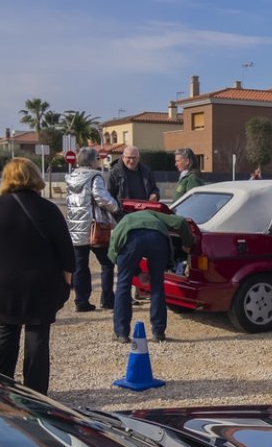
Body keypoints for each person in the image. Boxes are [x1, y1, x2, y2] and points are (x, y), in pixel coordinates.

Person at [0, 158, 75, 394]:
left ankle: (0, 386)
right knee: (37, 333)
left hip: (0, 284)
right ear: (34, 177)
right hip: (41, 283)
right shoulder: (48, 209)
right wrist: (67, 282)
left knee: (6, 327)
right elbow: (67, 253)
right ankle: (35, 394)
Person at [107, 207, 194, 343]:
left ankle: (121, 333)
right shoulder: (153, 214)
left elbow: (114, 253)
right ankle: (158, 333)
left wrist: (136, 272)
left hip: (130, 238)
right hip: (157, 237)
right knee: (157, 285)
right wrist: (188, 244)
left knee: (123, 285)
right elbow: (180, 222)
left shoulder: (125, 221)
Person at [66, 146, 119, 312]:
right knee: (107, 262)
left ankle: (81, 301)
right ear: (91, 161)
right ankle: (107, 299)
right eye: (97, 158)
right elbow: (101, 198)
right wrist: (116, 207)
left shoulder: (71, 177)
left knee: (80, 265)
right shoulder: (95, 176)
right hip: (94, 226)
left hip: (75, 228)